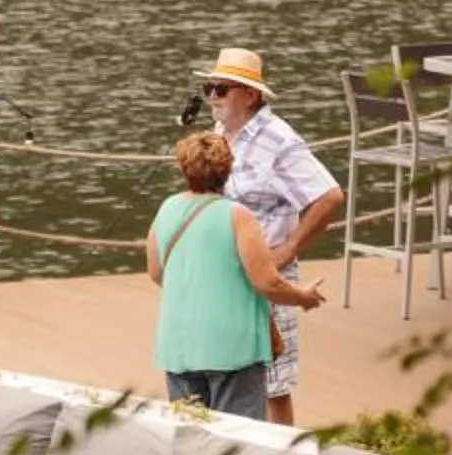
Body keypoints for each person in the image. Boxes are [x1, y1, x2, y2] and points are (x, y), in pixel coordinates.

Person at [194, 49, 344, 428]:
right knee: (224, 368)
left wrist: (288, 249)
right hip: (223, 273)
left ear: (250, 95)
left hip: (264, 274)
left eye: (221, 89)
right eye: (208, 87)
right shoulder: (220, 135)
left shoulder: (278, 141)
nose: (212, 96)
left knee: (274, 382)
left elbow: (328, 197)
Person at [146, 129, 326, 422]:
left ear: (183, 168)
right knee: (237, 442)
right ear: (227, 169)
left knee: (189, 435)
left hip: (178, 344)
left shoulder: (167, 208)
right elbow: (266, 281)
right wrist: (302, 296)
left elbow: (156, 271)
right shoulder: (237, 215)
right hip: (233, 348)